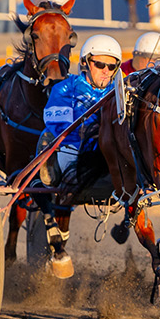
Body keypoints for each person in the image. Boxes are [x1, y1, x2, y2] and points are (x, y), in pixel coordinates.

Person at [39, 34, 122, 276]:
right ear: (85, 63)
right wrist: (90, 129)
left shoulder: (120, 91)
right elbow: (58, 125)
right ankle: (58, 234)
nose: (106, 71)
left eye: (112, 66)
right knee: (68, 172)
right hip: (73, 148)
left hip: (109, 152)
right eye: (100, 64)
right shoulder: (65, 88)